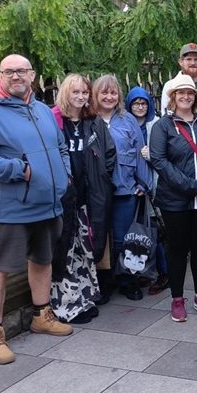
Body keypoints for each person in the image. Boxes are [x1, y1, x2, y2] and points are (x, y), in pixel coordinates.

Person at [0, 54, 73, 365]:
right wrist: (17, 170)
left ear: (32, 75)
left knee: (42, 260)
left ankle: (42, 315)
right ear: (0, 75)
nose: (16, 76)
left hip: (48, 203)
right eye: (9, 72)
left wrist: (64, 175)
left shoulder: (41, 109)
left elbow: (60, 146)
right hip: (12, 208)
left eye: (22, 71)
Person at [149, 74, 197, 322]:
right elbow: (159, 161)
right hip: (175, 200)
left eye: (189, 93)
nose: (185, 97)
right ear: (173, 97)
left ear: (195, 97)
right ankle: (177, 298)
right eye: (180, 93)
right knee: (178, 249)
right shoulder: (163, 126)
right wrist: (191, 186)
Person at [50, 74, 115, 323]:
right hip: (64, 196)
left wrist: (102, 178)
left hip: (89, 196)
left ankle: (85, 297)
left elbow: (109, 153)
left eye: (85, 93)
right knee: (64, 250)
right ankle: (66, 305)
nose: (80, 97)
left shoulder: (93, 122)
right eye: (75, 92)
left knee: (86, 249)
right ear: (66, 93)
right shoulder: (55, 121)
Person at [93, 75, 152, 302]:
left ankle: (127, 280)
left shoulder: (127, 120)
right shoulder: (90, 120)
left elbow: (140, 153)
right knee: (99, 237)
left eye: (113, 93)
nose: (109, 97)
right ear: (96, 95)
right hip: (96, 192)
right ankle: (104, 282)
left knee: (124, 239)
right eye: (104, 93)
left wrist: (143, 184)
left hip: (125, 189)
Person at [126, 86, 169, 295]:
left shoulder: (156, 124)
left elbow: (165, 154)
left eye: (143, 103)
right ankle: (146, 272)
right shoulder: (124, 124)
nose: (140, 107)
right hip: (133, 187)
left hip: (154, 186)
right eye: (136, 103)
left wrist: (151, 155)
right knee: (141, 232)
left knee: (155, 232)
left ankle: (164, 273)